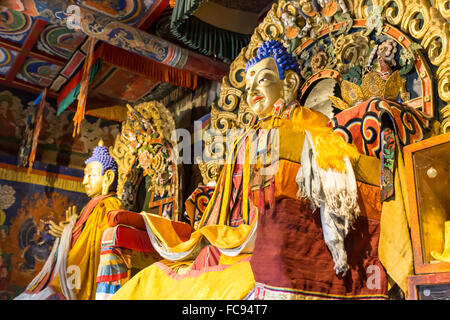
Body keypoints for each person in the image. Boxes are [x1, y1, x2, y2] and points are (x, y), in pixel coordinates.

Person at [111, 40, 388, 300]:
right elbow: (226, 208)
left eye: (263, 79)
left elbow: (328, 189)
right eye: (248, 86)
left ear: (288, 82)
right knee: (154, 279)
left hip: (281, 241)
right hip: (234, 240)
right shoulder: (244, 138)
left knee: (238, 276)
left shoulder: (310, 126)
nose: (252, 91)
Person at [15, 140, 123, 300]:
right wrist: (70, 230)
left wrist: (70, 232)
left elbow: (97, 241)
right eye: (85, 175)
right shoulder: (94, 205)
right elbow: (83, 236)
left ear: (108, 178)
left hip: (88, 277)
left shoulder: (109, 204)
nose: (85, 181)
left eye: (91, 175)